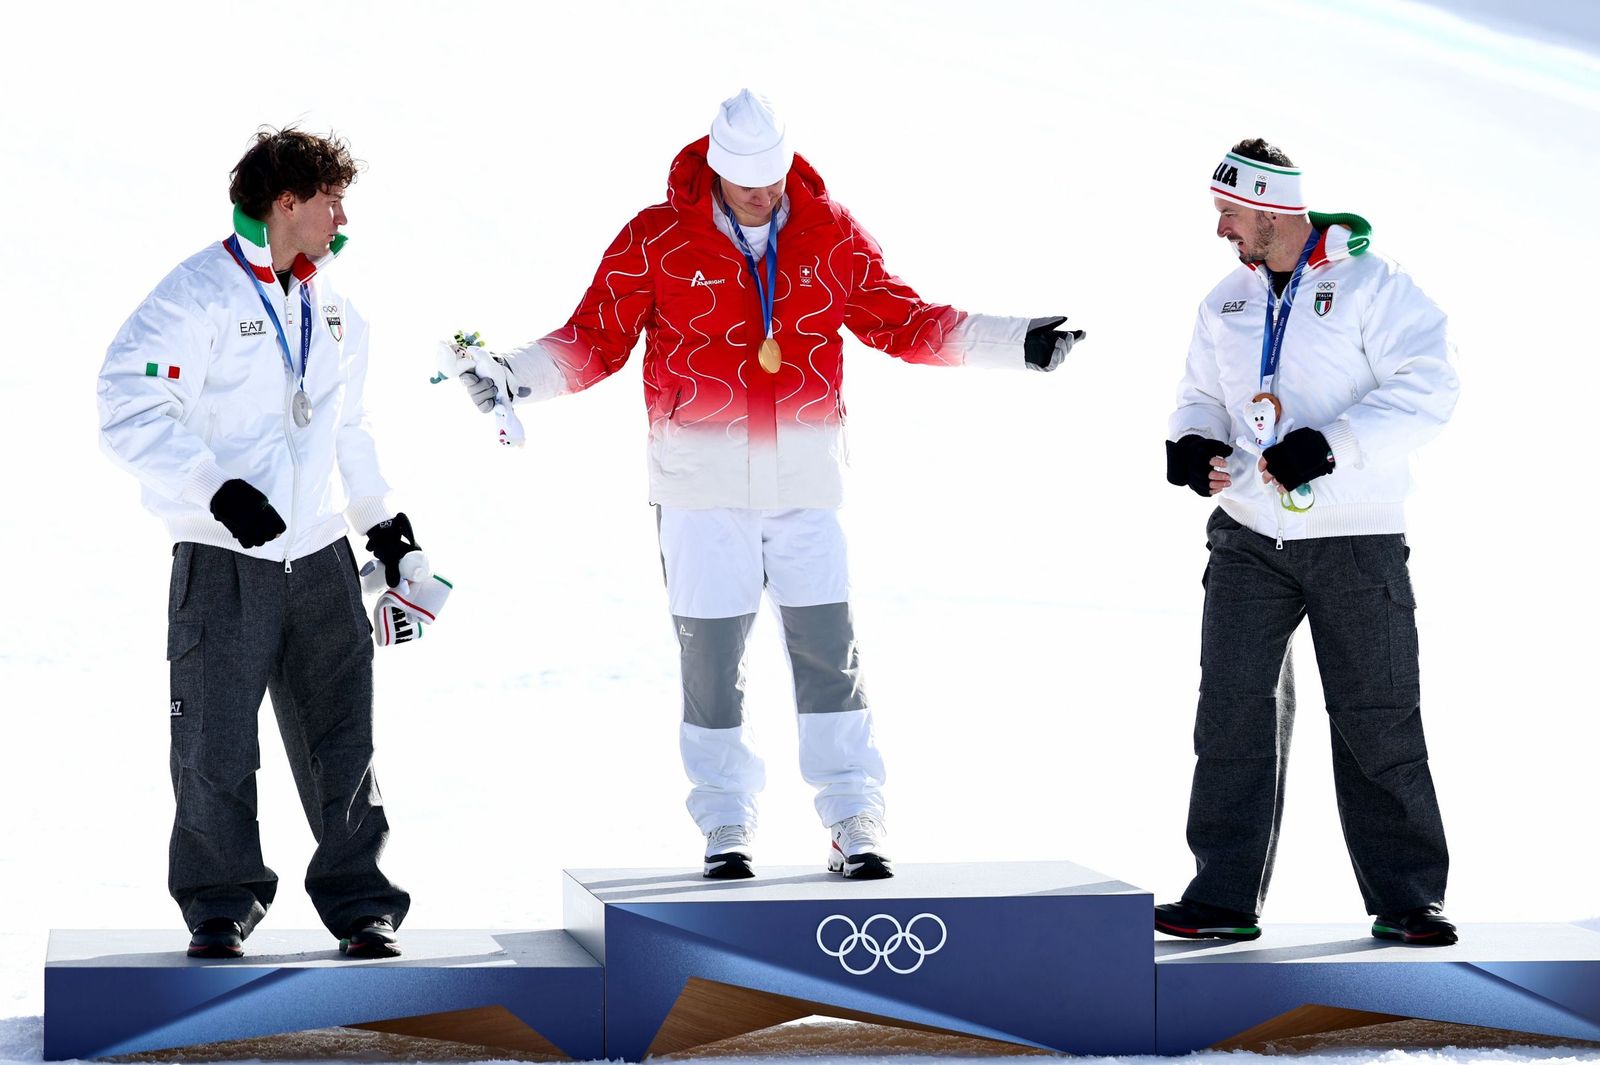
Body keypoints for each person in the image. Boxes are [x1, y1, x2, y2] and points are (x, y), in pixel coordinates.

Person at [452, 90, 1083, 880]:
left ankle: (854, 811)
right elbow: (594, 338)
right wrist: (512, 375)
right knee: (713, 663)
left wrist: (1017, 343)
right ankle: (725, 821)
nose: (762, 194)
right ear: (714, 166)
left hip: (803, 483)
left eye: (773, 177)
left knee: (830, 654)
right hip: (697, 490)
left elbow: (906, 320)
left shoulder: (828, 231)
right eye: (746, 179)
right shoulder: (656, 237)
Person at [98, 128, 426, 959]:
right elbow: (125, 407)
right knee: (214, 740)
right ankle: (219, 900)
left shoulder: (337, 311)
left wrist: (382, 523)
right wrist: (213, 488)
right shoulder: (197, 295)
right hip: (221, 560)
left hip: (317, 558)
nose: (342, 216)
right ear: (288, 202)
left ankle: (361, 902)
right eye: (331, 200)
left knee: (342, 737)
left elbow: (350, 428)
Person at [1157, 138, 1459, 945]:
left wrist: (1333, 444)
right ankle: (1222, 895)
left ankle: (1407, 898)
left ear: (1271, 209)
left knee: (1377, 713)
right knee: (1230, 713)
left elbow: (1431, 386)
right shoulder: (1225, 300)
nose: (1222, 230)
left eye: (1230, 214)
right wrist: (1193, 444)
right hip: (1249, 535)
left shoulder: (1373, 285)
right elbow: (1199, 395)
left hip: (1355, 536)